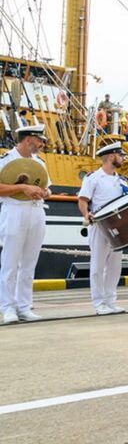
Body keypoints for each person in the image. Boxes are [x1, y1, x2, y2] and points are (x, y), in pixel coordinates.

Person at [0, 125, 50, 324]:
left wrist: (44, 192)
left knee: (29, 263)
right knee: (10, 263)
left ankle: (24, 306)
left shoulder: (39, 163)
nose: (41, 144)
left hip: (36, 211)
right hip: (14, 211)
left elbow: (48, 188)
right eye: (39, 140)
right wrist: (23, 187)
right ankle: (7, 308)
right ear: (29, 139)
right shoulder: (6, 160)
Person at [77, 142, 128, 315]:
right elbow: (83, 200)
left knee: (115, 266)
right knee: (98, 265)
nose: (123, 158)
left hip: (118, 226)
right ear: (111, 156)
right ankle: (99, 303)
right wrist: (86, 214)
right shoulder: (93, 178)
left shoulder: (121, 180)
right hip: (100, 225)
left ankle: (110, 300)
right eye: (120, 155)